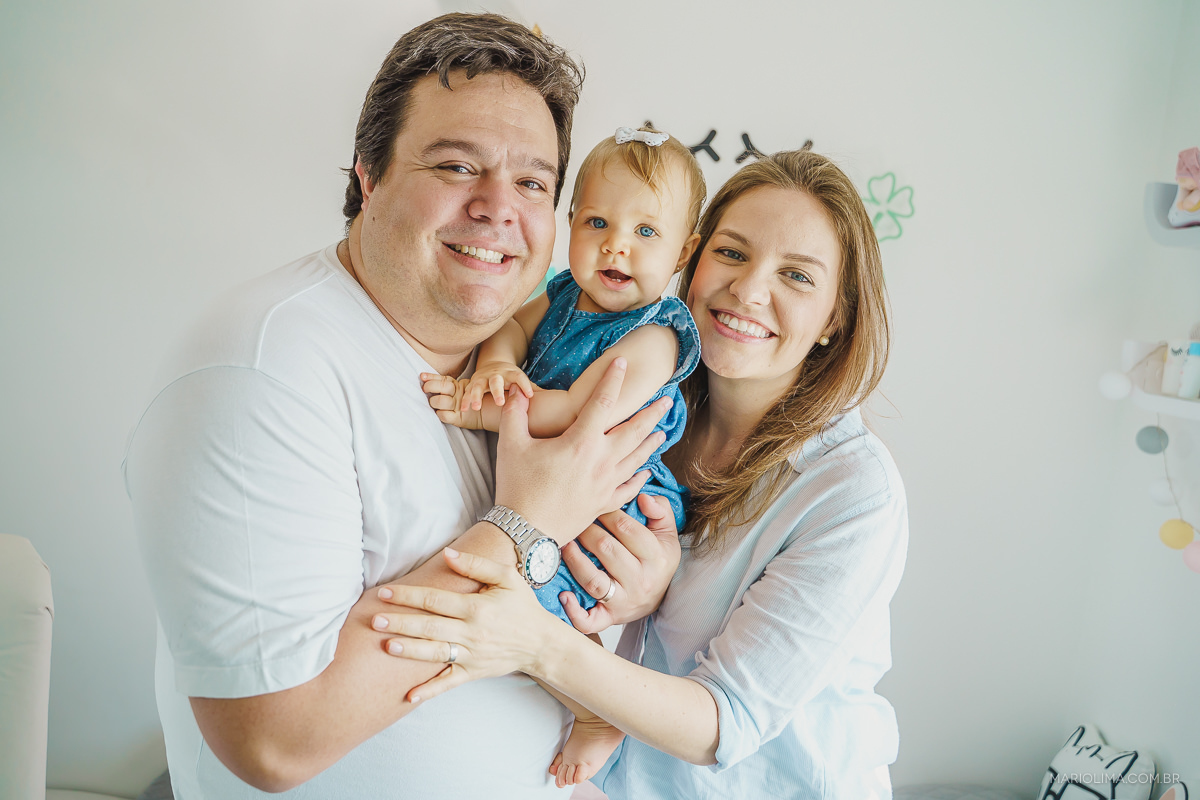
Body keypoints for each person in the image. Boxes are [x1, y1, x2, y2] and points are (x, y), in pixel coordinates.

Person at [122, 13, 672, 798]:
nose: (498, 207)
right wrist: (527, 526)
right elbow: (274, 740)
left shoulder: (529, 361)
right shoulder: (262, 370)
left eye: (532, 182)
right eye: (456, 166)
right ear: (368, 175)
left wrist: (637, 591)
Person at [368, 147, 910, 798]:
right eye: (732, 253)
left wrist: (534, 641)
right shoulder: (655, 403)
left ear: (836, 318)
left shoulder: (852, 491)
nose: (748, 290)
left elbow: (724, 723)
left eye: (796, 276)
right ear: (693, 258)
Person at [417, 124, 705, 784]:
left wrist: (479, 407)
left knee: (538, 597)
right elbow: (511, 329)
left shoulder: (657, 335)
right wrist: (497, 364)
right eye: (598, 221)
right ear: (570, 221)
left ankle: (595, 707)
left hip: (615, 496)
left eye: (646, 232)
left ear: (684, 251)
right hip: (559, 470)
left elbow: (579, 411)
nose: (616, 245)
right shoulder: (561, 291)